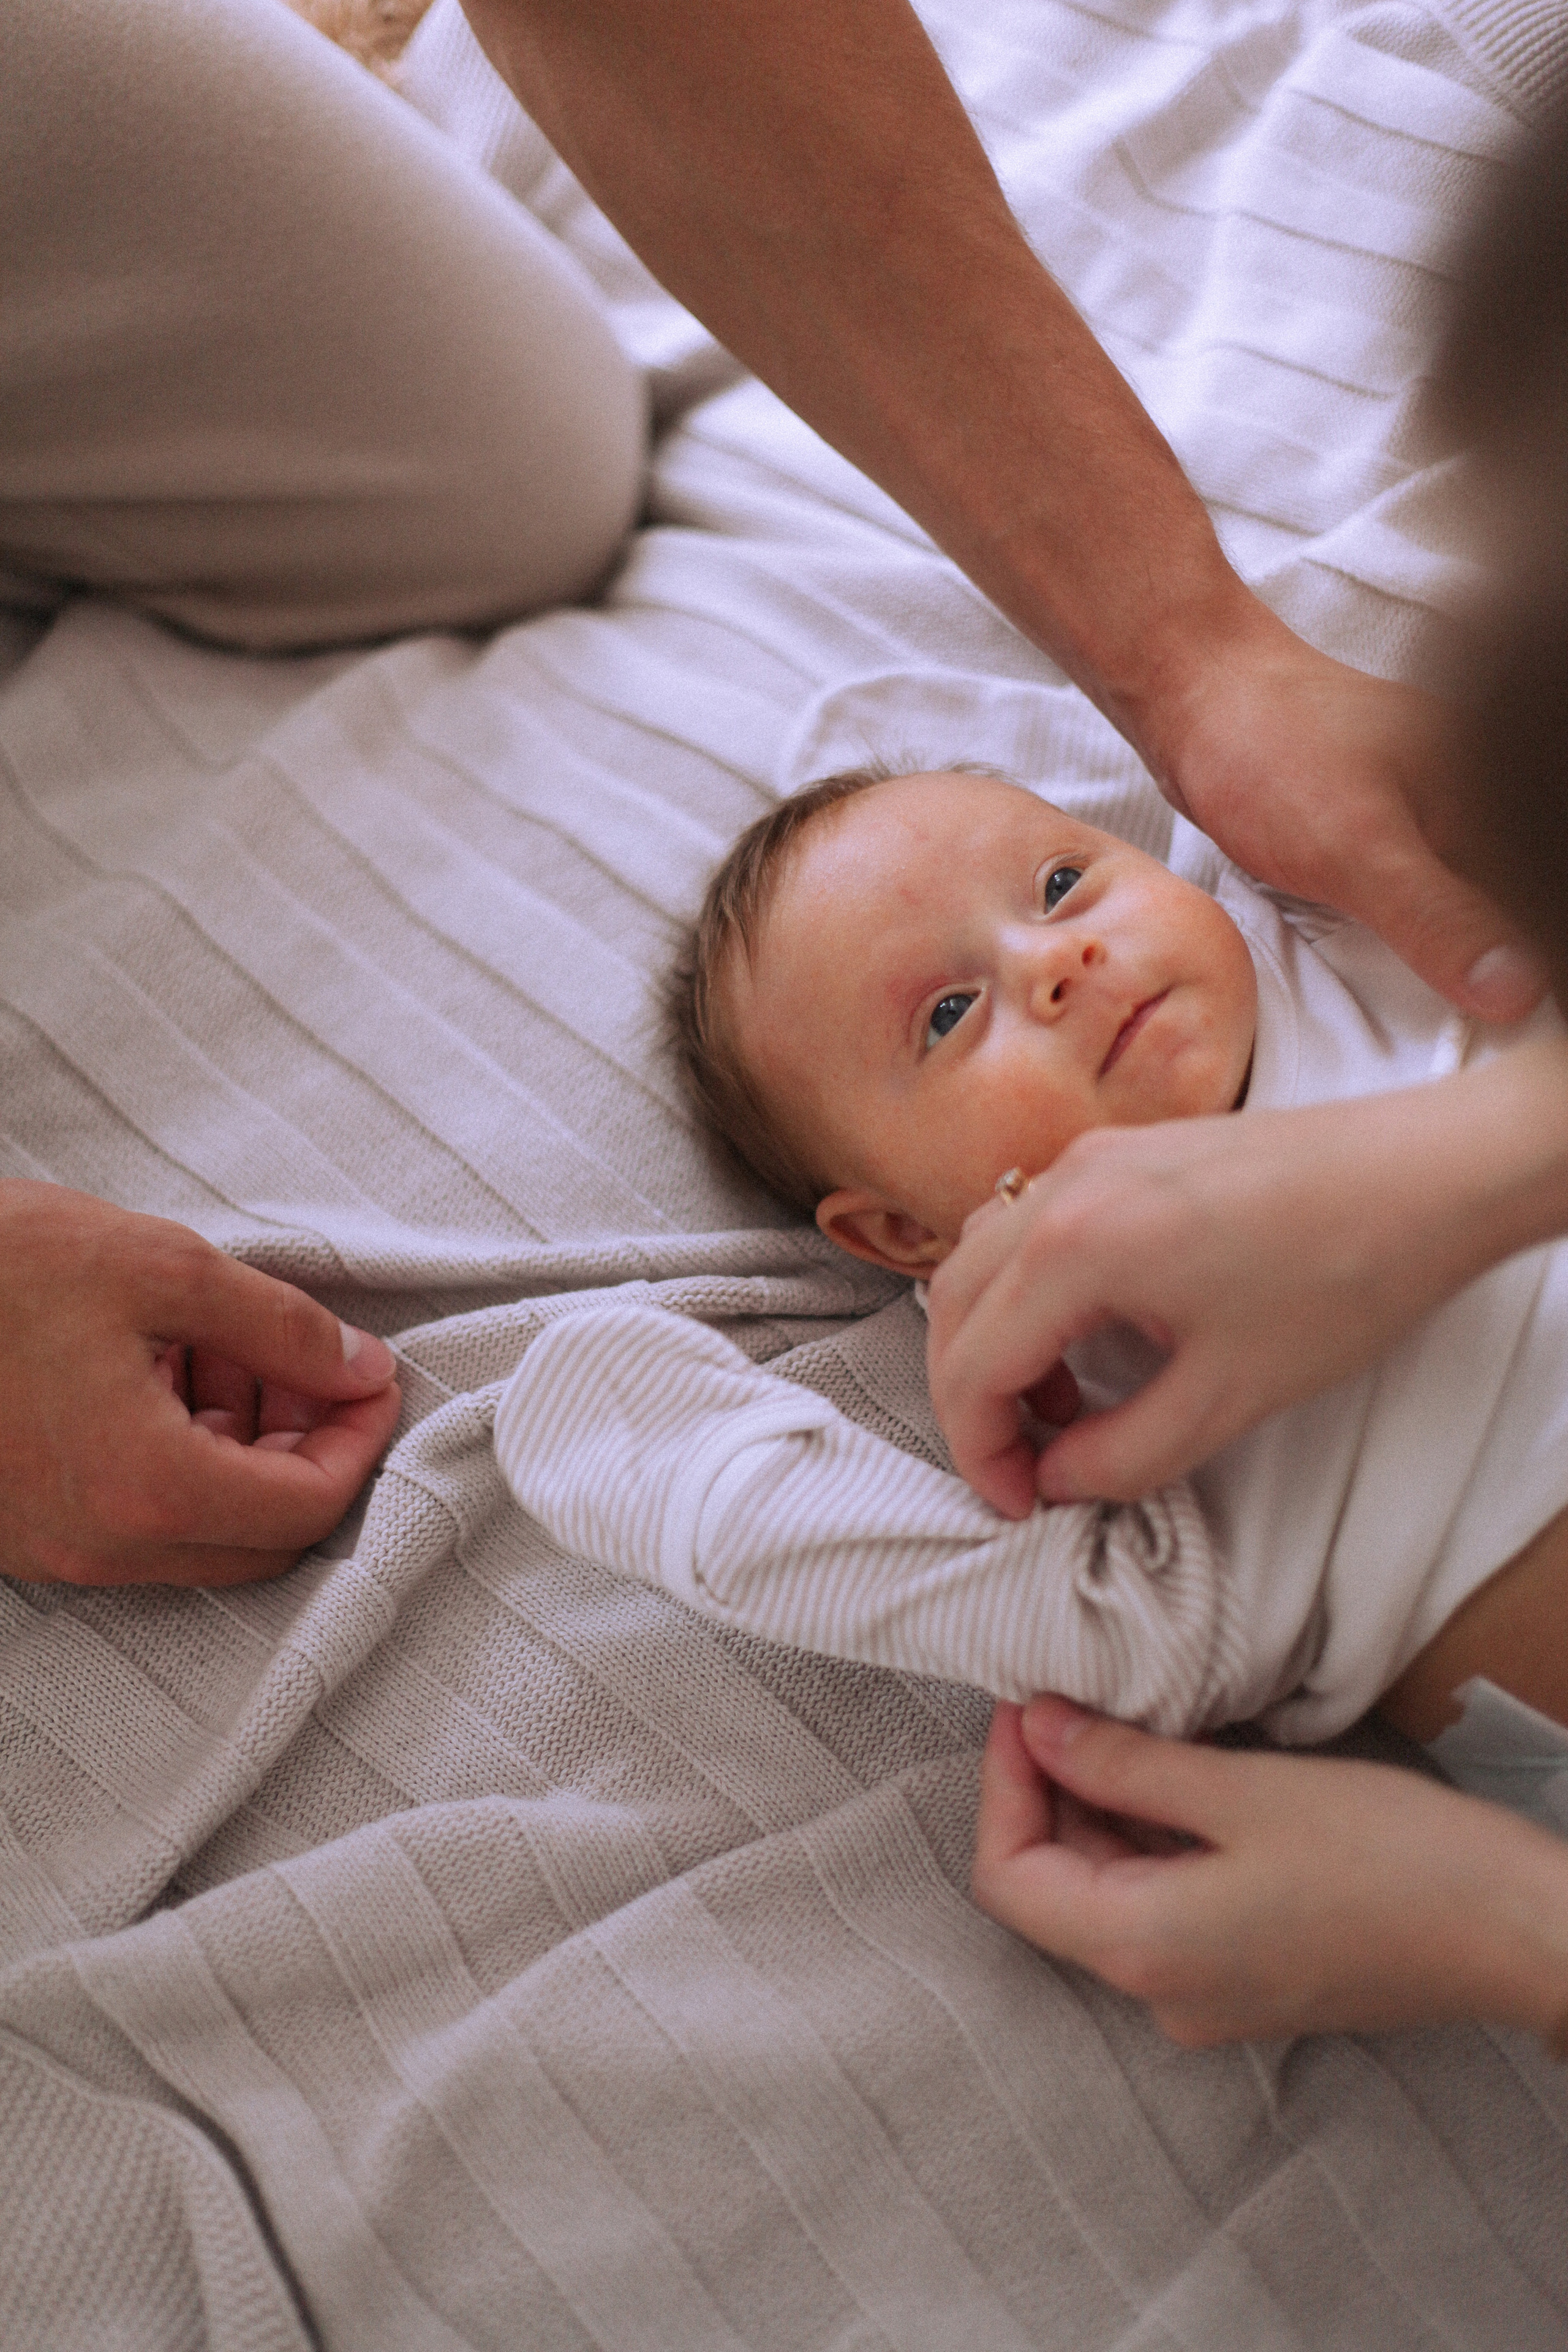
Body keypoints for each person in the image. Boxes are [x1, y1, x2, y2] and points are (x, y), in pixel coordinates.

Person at [0, 0, 1542, 1586]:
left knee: (523, 465)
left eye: (1068, 883)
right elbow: (1081, 1623)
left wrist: (1198, 661)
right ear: (906, 1240)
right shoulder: (1062, 1385)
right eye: (950, 1020)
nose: (1062, 957)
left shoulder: (1356, 962)